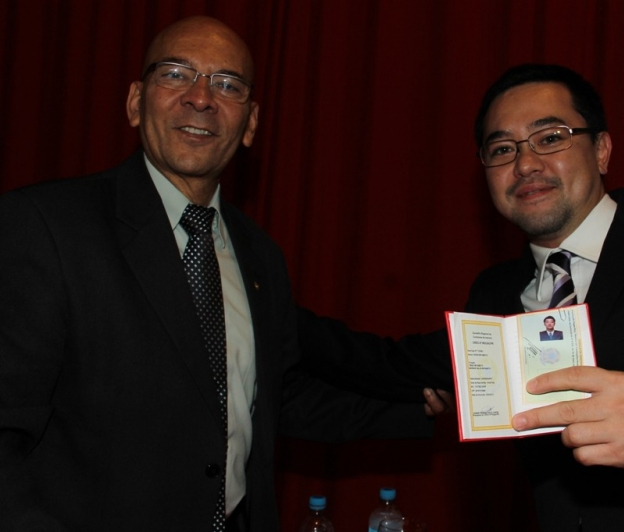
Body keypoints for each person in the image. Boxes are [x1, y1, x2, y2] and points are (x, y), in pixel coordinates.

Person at [301, 63, 624, 530]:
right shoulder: (494, 293)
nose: (525, 164)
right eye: (502, 149)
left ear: (601, 149)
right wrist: (269, 307)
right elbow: (388, 364)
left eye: (550, 138)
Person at [0, 16, 435, 532]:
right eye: (176, 74)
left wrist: (424, 409)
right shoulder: (46, 227)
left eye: (227, 85)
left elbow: (269, 398)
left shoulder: (260, 255)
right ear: (135, 102)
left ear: (250, 123)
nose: (201, 98)